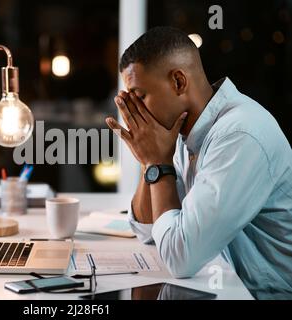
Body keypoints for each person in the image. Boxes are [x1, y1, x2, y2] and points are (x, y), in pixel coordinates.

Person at [106, 26, 292, 299]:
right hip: (226, 288)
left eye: (140, 96)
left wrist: (157, 162)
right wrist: (150, 162)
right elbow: (148, 231)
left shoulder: (239, 134)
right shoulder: (182, 135)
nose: (133, 112)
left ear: (179, 82)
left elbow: (179, 259)